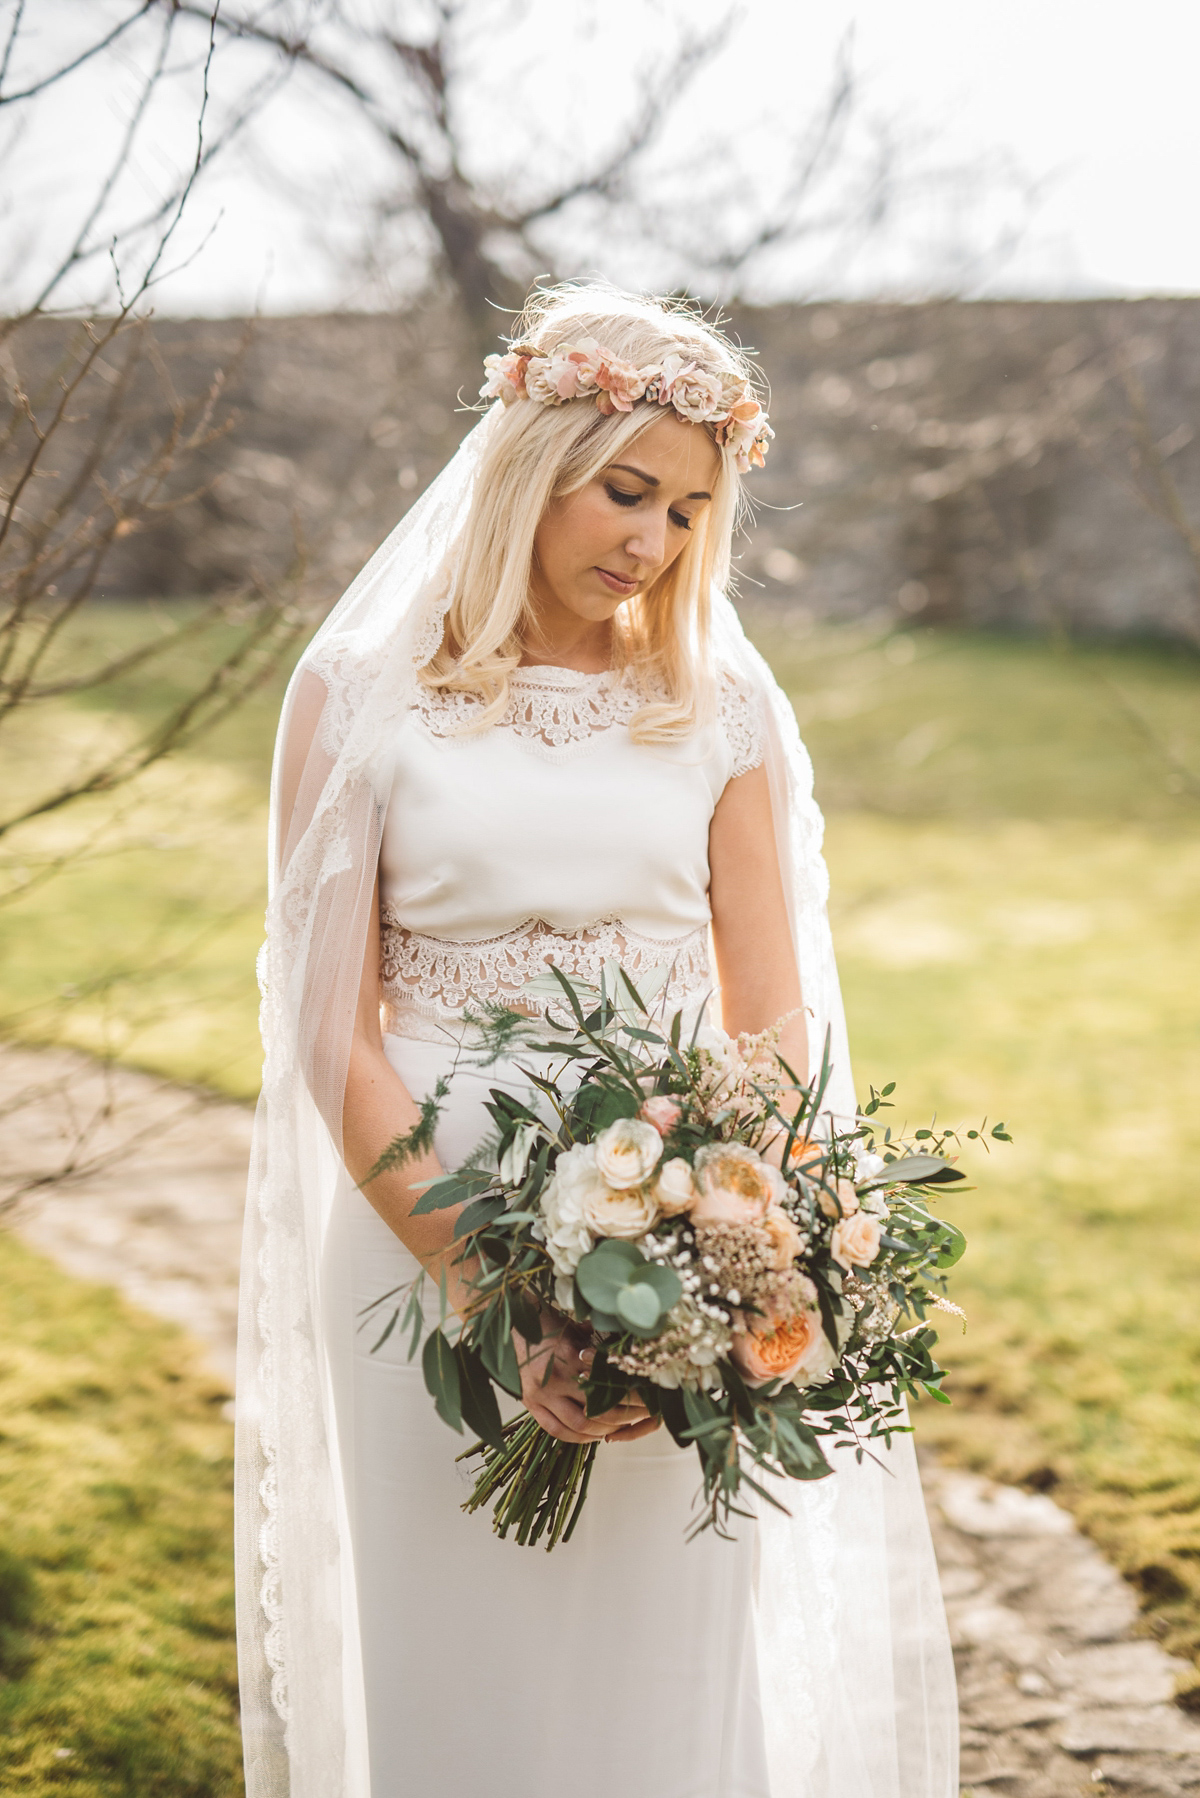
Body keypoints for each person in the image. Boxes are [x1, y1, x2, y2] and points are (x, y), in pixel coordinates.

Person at [235, 286, 959, 1798]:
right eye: (627, 489)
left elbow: (770, 1013)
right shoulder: (358, 692)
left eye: (693, 510)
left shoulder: (719, 699)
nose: (655, 539)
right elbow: (326, 1026)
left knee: (667, 1655)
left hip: (677, 1237)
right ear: (531, 462)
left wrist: (728, 1239)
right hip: (424, 1221)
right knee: (458, 1648)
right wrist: (479, 1271)